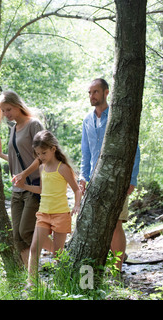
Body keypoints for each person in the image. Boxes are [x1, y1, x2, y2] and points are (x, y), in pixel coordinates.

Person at [79, 78, 140, 272]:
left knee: (116, 224)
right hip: (94, 180)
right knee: (94, 224)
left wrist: (131, 179)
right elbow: (85, 151)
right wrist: (83, 176)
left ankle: (117, 270)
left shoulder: (117, 117)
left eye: (95, 92)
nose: (92, 96)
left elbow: (134, 149)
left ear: (106, 92)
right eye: (89, 92)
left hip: (117, 178)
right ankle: (100, 267)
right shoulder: (87, 120)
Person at [15, 130, 81, 285]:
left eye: (43, 153)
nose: (41, 157)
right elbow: (42, 190)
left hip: (60, 214)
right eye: (38, 154)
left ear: (53, 149)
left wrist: (77, 204)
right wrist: (24, 185)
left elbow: (76, 189)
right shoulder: (42, 168)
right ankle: (32, 285)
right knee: (34, 249)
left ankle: (62, 283)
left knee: (58, 254)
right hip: (43, 214)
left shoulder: (62, 168)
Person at [0, 90, 44, 267]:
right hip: (17, 189)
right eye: (4, 111)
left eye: (9, 109)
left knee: (25, 231)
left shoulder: (34, 125)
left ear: (18, 105)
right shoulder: (13, 129)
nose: (7, 114)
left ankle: (54, 250)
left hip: (33, 187)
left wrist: (24, 174)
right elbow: (18, 157)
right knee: (18, 237)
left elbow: (42, 156)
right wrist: (1, 154)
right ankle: (30, 280)